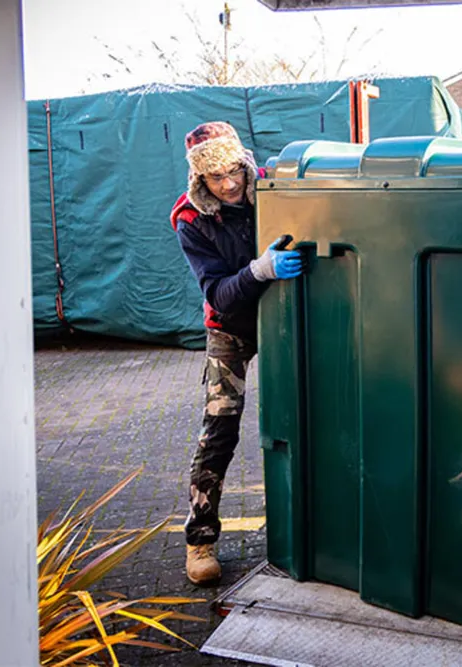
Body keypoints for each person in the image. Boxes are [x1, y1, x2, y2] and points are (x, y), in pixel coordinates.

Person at [169, 121, 304, 585]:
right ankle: (200, 540)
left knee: (311, 414)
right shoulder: (190, 219)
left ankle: (314, 522)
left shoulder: (272, 187)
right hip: (230, 328)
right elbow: (218, 294)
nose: (228, 185)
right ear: (199, 178)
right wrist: (260, 270)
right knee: (219, 432)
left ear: (245, 164)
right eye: (215, 177)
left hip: (286, 319)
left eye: (233, 172)